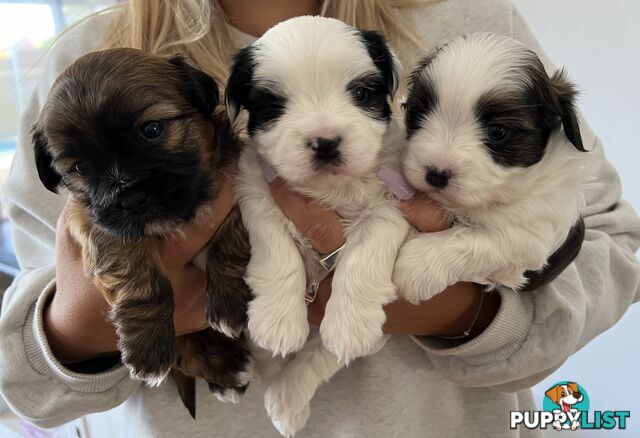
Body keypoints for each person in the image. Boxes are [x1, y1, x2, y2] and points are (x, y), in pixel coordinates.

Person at [1, 0, 639, 437]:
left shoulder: (465, 24)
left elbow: (614, 249)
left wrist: (453, 308)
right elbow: (21, 379)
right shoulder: (81, 62)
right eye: (272, 106)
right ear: (231, 108)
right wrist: (86, 325)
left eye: (367, 96)